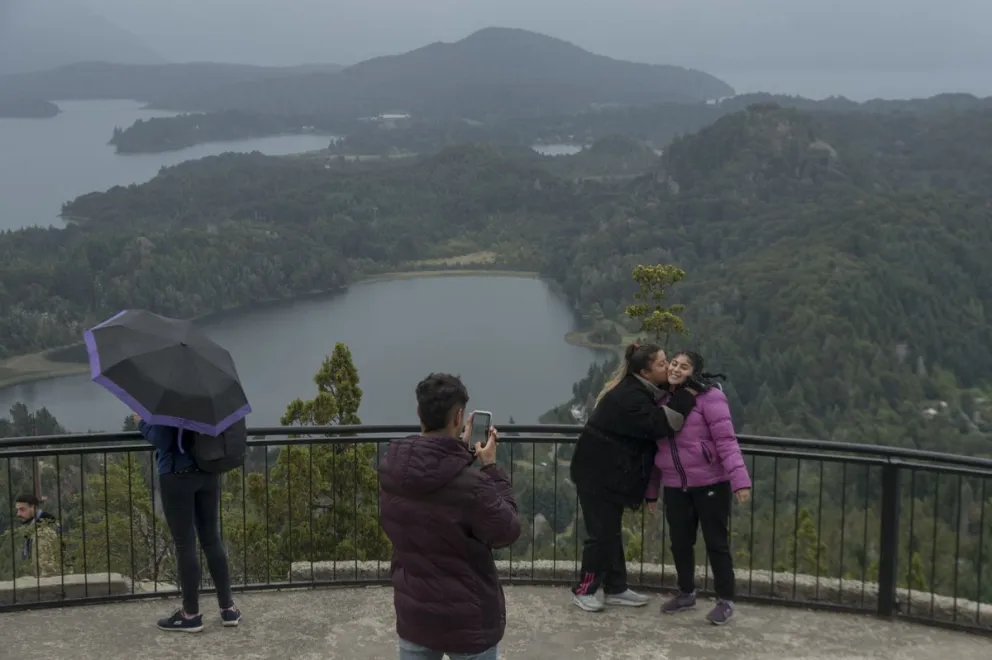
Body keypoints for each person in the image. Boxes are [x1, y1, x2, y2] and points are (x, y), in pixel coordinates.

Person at [379, 373, 521, 660]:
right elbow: (507, 529)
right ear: (459, 417)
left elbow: (434, 493)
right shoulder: (473, 485)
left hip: (415, 614)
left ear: (419, 413)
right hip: (468, 621)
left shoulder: (392, 472)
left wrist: (459, 453)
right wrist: (490, 468)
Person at [568, 342, 698, 613]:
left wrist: (685, 382)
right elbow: (661, 425)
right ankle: (584, 589)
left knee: (610, 531)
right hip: (596, 474)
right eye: (663, 364)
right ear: (646, 372)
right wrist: (686, 397)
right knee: (601, 534)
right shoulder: (631, 397)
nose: (669, 367)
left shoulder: (640, 388)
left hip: (606, 473)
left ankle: (615, 587)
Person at [644, 350, 751, 626]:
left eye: (684, 366)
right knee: (680, 543)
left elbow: (726, 441)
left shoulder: (710, 398)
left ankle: (725, 601)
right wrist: (652, 492)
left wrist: (740, 480)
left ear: (695, 372)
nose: (676, 369)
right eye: (674, 364)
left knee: (716, 544)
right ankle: (686, 592)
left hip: (711, 484)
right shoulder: (662, 399)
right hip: (676, 486)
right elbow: (655, 451)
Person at [135, 414, 240, 632]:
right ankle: (228, 608)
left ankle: (190, 614)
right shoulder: (204, 398)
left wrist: (142, 423)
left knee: (185, 545)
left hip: (177, 475)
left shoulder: (170, 402)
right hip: (208, 471)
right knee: (212, 539)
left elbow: (163, 440)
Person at [13, 493, 61, 577]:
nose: (18, 514)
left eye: (22, 509)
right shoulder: (36, 528)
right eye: (17, 510)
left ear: (33, 508)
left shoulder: (42, 532)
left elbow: (47, 569)